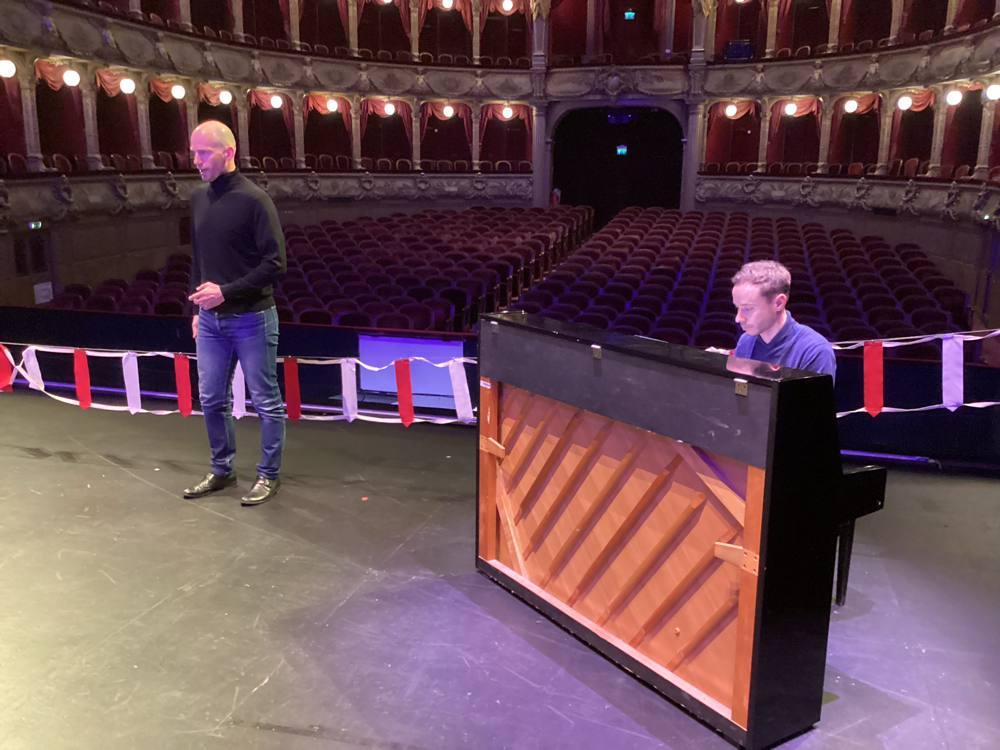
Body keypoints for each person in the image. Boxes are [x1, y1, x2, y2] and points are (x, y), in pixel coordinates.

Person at [182, 121, 287, 506]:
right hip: (209, 320)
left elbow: (276, 264)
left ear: (228, 152)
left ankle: (268, 475)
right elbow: (199, 260)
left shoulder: (255, 200)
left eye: (203, 152)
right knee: (211, 398)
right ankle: (222, 470)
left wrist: (224, 292)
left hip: (252, 318)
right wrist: (194, 308)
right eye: (193, 152)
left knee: (265, 401)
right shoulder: (197, 198)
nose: (195, 161)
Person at [731, 260, 837, 380]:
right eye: (737, 308)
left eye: (748, 308)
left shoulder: (814, 351)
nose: (738, 318)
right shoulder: (745, 341)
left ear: (778, 303)